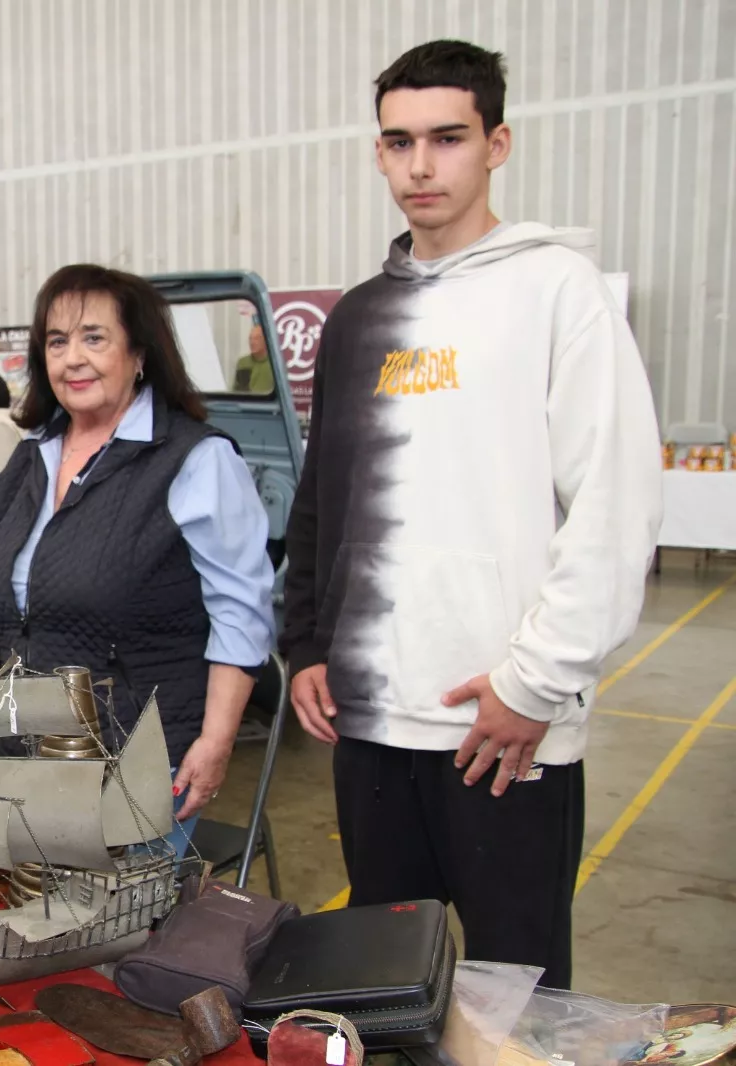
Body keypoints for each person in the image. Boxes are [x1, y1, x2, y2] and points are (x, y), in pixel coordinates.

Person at [280, 40, 662, 990]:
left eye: (446, 139)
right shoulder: (361, 315)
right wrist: (309, 644)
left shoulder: (556, 291)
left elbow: (615, 506)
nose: (420, 165)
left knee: (513, 1001)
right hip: (370, 723)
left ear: (496, 144)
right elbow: (324, 496)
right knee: (379, 988)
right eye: (398, 142)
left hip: (504, 730)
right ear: (377, 153)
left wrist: (536, 684)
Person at [0, 264, 277, 839]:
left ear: (139, 353)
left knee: (119, 930)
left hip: (137, 762)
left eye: (94, 338)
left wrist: (215, 744)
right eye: (57, 342)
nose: (72, 359)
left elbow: (242, 614)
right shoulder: (28, 459)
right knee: (24, 925)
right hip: (26, 753)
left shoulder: (196, 460)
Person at [231, 319, 275, 394]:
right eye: (250, 339)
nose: (252, 342)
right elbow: (236, 390)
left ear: (266, 340)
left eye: (257, 338)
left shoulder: (274, 364)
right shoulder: (243, 362)